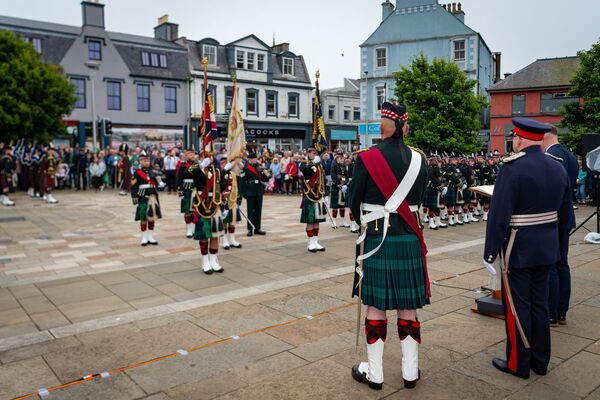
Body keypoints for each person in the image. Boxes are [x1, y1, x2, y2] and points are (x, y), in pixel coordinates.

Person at [483, 117, 571, 379]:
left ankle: (518, 363)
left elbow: (499, 215)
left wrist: (490, 252)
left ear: (519, 139)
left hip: (518, 248)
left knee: (517, 306)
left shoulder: (512, 168)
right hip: (548, 246)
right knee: (540, 305)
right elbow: (565, 211)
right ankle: (540, 361)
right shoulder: (557, 167)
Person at [350, 102, 429, 390]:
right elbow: (421, 199)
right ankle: (410, 373)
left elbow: (352, 203)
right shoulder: (420, 160)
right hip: (409, 238)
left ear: (383, 126)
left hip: (377, 239)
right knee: (409, 307)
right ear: (404, 127)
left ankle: (376, 374)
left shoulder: (366, 157)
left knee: (376, 306)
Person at [542, 125, 578, 326]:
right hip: (566, 216)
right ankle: (562, 310)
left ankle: (552, 312)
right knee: (562, 264)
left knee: (552, 265)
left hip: (553, 218)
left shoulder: (550, 158)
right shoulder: (570, 157)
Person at [193, 154, 225, 274]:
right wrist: (201, 165)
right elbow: (187, 173)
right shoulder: (196, 169)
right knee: (204, 234)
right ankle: (205, 262)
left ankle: (213, 261)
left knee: (215, 234)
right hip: (202, 205)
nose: (210, 158)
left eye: (211, 156)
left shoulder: (217, 171)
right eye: (206, 156)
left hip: (215, 205)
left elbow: (221, 187)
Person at [131, 151, 162, 246]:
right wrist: (135, 199)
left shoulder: (153, 172)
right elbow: (133, 187)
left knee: (152, 217)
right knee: (143, 217)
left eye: (148, 160)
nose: (147, 162)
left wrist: (160, 182)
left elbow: (157, 184)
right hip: (142, 197)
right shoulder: (137, 173)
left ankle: (150, 236)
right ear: (140, 162)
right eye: (144, 161)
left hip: (152, 196)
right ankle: (144, 237)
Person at [300, 147, 327, 252]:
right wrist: (312, 163)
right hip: (309, 194)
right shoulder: (304, 163)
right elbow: (304, 170)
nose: (315, 155)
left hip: (319, 194)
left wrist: (326, 194)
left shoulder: (319, 165)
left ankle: (316, 241)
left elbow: (322, 179)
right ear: (308, 153)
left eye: (316, 153)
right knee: (310, 219)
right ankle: (310, 242)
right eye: (313, 153)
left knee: (317, 219)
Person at [240, 153, 269, 236]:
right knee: (250, 211)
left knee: (258, 210)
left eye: (255, 158)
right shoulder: (245, 168)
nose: (254, 160)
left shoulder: (259, 167)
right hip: (250, 191)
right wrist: (243, 193)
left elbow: (265, 179)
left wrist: (265, 172)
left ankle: (258, 228)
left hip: (258, 190)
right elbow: (242, 181)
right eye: (252, 159)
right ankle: (250, 229)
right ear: (249, 159)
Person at [220, 157, 243, 250]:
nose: (224, 165)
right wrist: (224, 170)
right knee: (225, 221)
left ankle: (232, 239)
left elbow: (237, 185)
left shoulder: (233, 174)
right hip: (224, 200)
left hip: (233, 199)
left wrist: (239, 196)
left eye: (225, 163)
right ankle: (225, 240)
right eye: (222, 163)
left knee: (232, 220)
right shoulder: (219, 173)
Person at [177, 149, 198, 238]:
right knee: (187, 210)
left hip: (195, 190)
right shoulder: (183, 166)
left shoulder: (198, 166)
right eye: (190, 154)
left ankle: (193, 229)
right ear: (186, 156)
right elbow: (179, 178)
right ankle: (188, 229)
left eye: (193, 154)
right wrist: (180, 191)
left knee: (194, 210)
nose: (192, 156)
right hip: (186, 189)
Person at [330, 152, 350, 228]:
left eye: (342, 158)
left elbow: (346, 177)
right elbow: (334, 177)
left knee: (342, 206)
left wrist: (344, 183)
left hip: (343, 188)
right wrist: (341, 181)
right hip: (336, 187)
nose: (341, 159)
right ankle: (333, 222)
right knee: (335, 206)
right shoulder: (333, 166)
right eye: (340, 158)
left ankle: (342, 221)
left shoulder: (343, 166)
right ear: (336, 159)